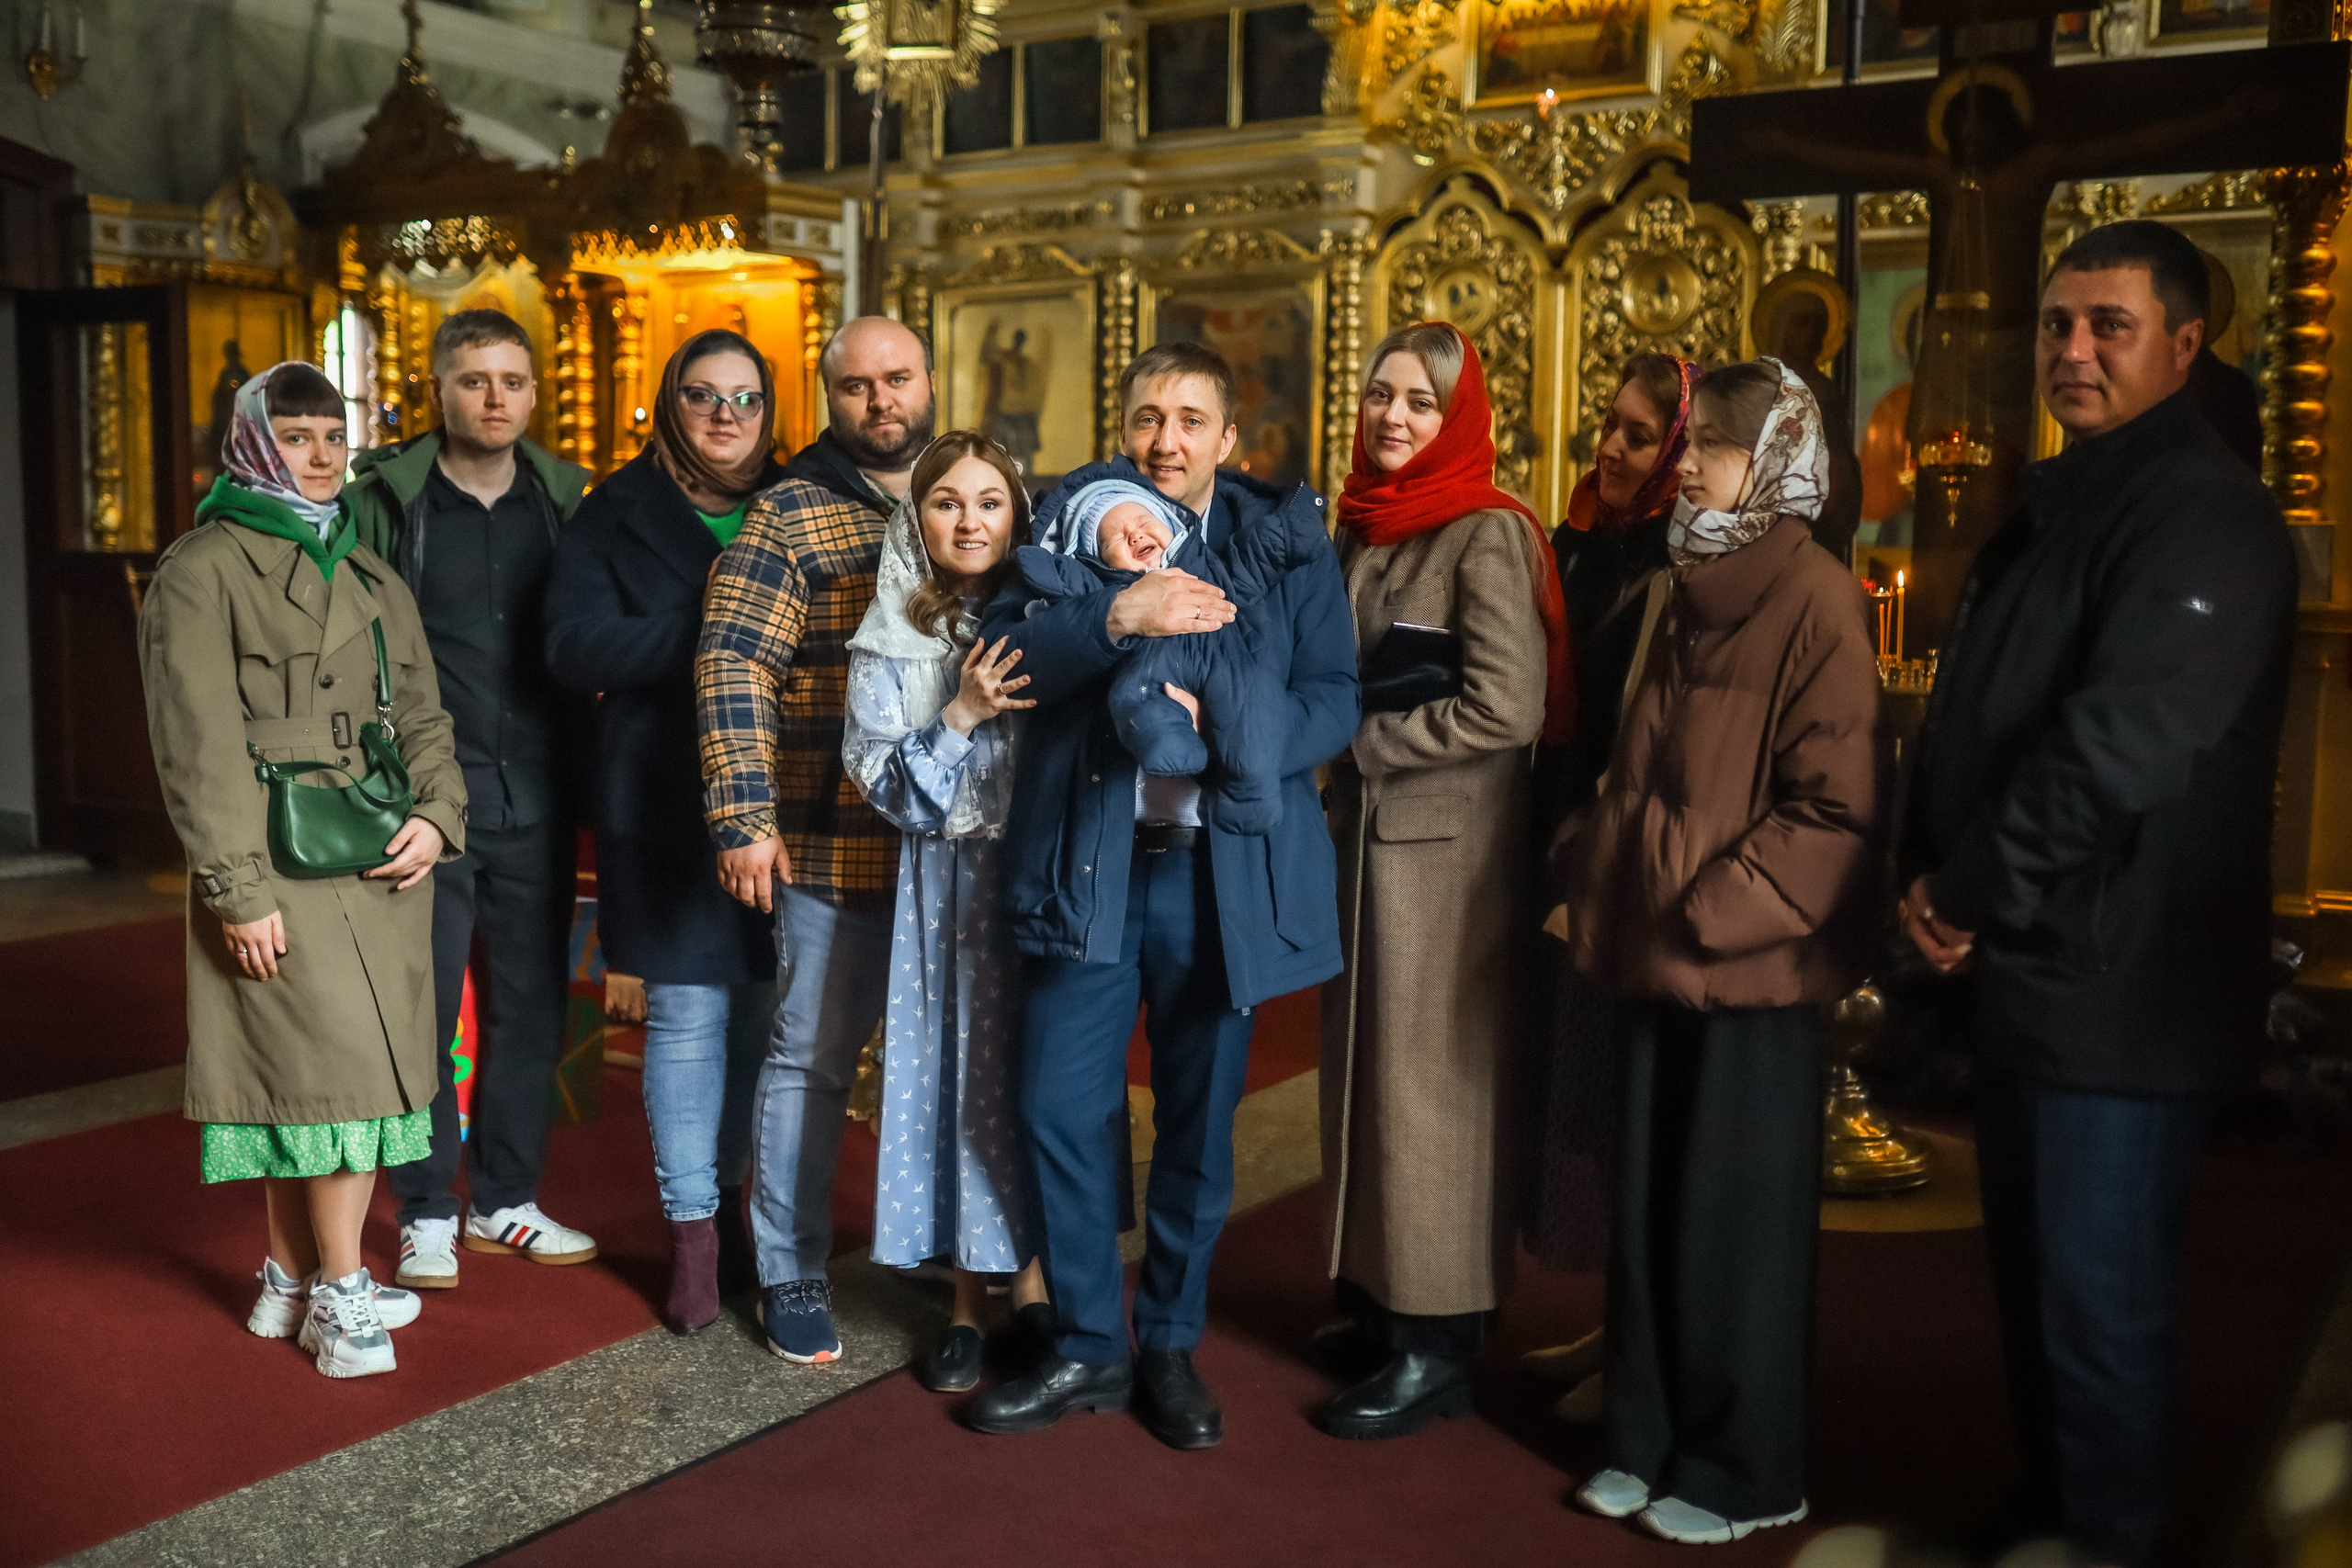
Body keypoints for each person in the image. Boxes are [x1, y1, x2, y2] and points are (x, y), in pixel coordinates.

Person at [1901, 220, 2295, 1568]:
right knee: (2038, 1291)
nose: (2073, 349)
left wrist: (1962, 890)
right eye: (2060, 324)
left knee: (2099, 1304)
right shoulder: (2071, 494)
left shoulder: (2206, 514)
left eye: (2108, 326)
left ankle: (2107, 1543)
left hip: (2123, 980)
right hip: (2045, 964)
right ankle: (2050, 1524)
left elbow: (2115, 751)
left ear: (2183, 345)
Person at [963, 341, 1358, 1449]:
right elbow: (1007, 656)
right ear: (1123, 427)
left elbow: (1336, 695)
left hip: (1217, 878)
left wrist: (1240, 737)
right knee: (1057, 1105)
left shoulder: (1282, 541)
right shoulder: (1074, 519)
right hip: (1089, 867)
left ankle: (1170, 1344)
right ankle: (1089, 1344)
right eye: (1147, 417)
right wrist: (1117, 618)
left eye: (1189, 420)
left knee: (1196, 1120)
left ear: (1227, 439)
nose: (1164, 440)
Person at [1557, 358, 1882, 1543]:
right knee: (1650, 1216)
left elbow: (1835, 811)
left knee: (1731, 1231)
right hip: (1657, 949)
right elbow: (1636, 769)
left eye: (1712, 447)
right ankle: (1643, 1440)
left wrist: (1706, 909)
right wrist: (1600, 864)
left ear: (1777, 459)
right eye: (1687, 442)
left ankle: (1744, 1471)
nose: (1685, 464)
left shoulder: (1817, 598)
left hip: (1743, 965)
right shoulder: (1683, 579)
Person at [139, 361, 466, 1377]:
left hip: (379, 854)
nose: (321, 457)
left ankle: (288, 1281)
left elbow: (423, 712)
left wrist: (439, 814)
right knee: (341, 1086)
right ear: (251, 444)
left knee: (326, 1085)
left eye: (333, 437)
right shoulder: (202, 568)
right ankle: (342, 1294)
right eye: (295, 438)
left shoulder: (369, 571)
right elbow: (196, 746)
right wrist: (236, 891)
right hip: (275, 860)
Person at [1312, 321, 1570, 1438]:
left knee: (1432, 1094)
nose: (1393, 417)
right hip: (1366, 843)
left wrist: (1362, 746)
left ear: (1457, 416)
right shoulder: (1364, 522)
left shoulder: (1485, 530)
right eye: (1381, 395)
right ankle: (1382, 1302)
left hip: (1447, 853)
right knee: (1366, 1076)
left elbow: (1508, 708)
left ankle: (1440, 1341)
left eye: (1420, 401)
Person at [340, 308, 598, 1289]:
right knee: (425, 1010)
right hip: (423, 805)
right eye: (475, 380)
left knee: (533, 1004)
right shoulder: (387, 503)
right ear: (438, 389)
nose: (496, 398)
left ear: (533, 394)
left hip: (537, 790)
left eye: (512, 381)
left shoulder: (565, 500)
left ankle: (505, 1198)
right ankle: (423, 1211)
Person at [697, 314, 934, 1364]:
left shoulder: (975, 493)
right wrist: (743, 818)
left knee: (947, 1064)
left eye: (898, 378)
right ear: (828, 397)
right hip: (835, 843)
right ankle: (789, 1267)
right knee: (812, 1059)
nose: (880, 400)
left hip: (957, 855)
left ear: (929, 380)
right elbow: (732, 664)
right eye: (856, 386)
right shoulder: (788, 513)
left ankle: (943, 1249)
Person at [544, 330, 784, 1335]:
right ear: (668, 403)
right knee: (688, 1017)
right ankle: (691, 1238)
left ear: (769, 410)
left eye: (745, 398)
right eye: (702, 395)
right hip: (659, 797)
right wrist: (717, 633)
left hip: (780, 800)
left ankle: (734, 1208)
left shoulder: (796, 500)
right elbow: (571, 646)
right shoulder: (615, 509)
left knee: (766, 1018)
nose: (726, 416)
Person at [842, 430, 1051, 1393]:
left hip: (1041, 872)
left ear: (1017, 514)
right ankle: (969, 1299)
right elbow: (887, 786)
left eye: (989, 502)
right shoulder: (894, 630)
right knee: (963, 1079)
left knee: (1043, 1077)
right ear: (915, 518)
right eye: (947, 502)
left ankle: (1038, 1283)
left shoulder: (1053, 611)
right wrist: (960, 713)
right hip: (947, 883)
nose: (970, 521)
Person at [1520, 352, 1698, 1421]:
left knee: (1630, 1109)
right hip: (1557, 841)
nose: (1613, 449)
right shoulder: (1580, 541)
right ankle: (1612, 1320)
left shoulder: (1685, 560)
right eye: (1610, 426)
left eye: (1639, 434)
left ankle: (1639, 1342)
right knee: (1582, 1101)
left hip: (1625, 854)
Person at [1007, 474, 1324, 832]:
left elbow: (1260, 553)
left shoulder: (1208, 566)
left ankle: (1251, 799)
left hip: (1227, 663)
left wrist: (1297, 521)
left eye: (1144, 523)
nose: (1135, 535)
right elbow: (1053, 603)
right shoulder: (1102, 592)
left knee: (1252, 709)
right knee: (1134, 700)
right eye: (1114, 539)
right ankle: (1172, 746)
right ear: (1096, 558)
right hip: (1152, 672)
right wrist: (1107, 607)